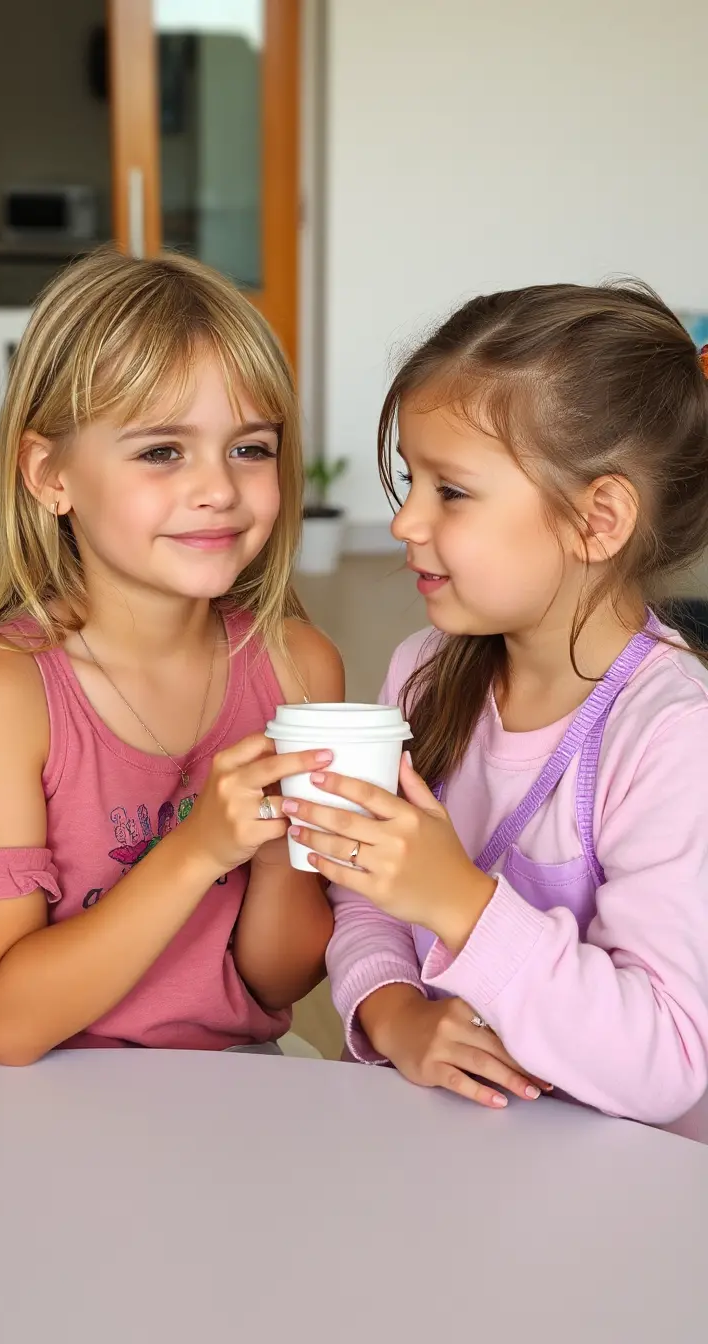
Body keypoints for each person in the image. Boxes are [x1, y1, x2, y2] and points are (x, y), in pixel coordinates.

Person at [285, 283, 708, 1124]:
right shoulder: (424, 671)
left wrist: (458, 902)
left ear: (599, 520)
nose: (404, 522)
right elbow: (366, 892)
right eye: (412, 481)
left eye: (451, 491)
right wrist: (393, 1012)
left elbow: (667, 1062)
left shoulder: (674, 733)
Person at [0, 248, 343, 1064]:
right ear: (50, 475)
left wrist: (278, 847)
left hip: (218, 1084)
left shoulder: (299, 664)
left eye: (251, 448)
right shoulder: (1, 691)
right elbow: (8, 1025)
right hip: (22, 1095)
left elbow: (273, 982)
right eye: (163, 451)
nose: (219, 489)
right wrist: (198, 849)